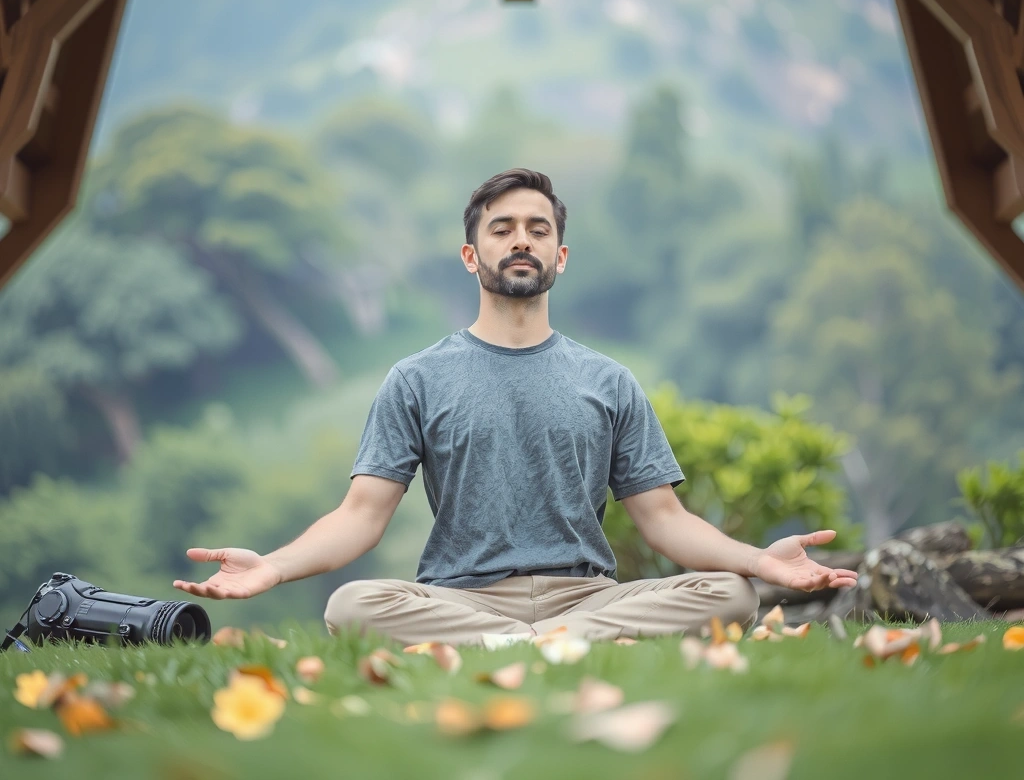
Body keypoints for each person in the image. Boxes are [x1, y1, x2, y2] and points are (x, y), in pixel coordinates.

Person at [173, 168, 858, 646]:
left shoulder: (610, 381)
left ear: (561, 254)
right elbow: (360, 517)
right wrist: (273, 565)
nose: (521, 239)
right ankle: (552, 643)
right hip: (461, 598)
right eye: (502, 229)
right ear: (471, 256)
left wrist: (758, 561)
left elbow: (664, 520)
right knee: (352, 605)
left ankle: (534, 641)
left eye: (537, 228)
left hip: (588, 594)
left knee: (732, 594)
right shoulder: (416, 379)